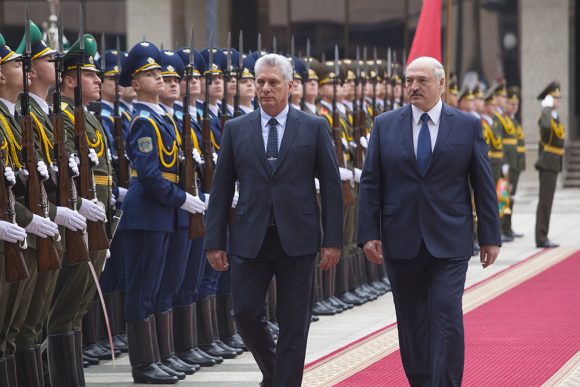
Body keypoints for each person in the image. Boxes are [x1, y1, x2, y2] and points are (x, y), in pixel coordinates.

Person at [358, 56, 501, 387]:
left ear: (441, 85)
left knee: (446, 315)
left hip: (449, 239)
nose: (413, 86)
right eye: (408, 80)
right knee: (411, 321)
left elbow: (483, 182)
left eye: (422, 80)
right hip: (400, 238)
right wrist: (368, 233)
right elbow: (370, 182)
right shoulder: (385, 124)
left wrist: (490, 236)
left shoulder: (467, 125)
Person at [204, 53, 343, 387]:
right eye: (260, 82)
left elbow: (332, 187)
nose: (265, 89)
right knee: (246, 314)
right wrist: (214, 241)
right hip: (250, 237)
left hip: (298, 237)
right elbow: (221, 189)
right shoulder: (237, 129)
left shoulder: (314, 127)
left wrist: (332, 240)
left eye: (273, 83)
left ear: (290, 86)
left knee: (295, 322)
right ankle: (278, 374)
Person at [535, 81, 564, 248]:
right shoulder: (545, 116)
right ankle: (541, 237)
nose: (558, 100)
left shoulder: (554, 116)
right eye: (555, 98)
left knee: (548, 201)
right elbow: (545, 129)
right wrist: (545, 109)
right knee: (545, 202)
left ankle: (543, 235)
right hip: (547, 163)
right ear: (548, 99)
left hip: (553, 163)